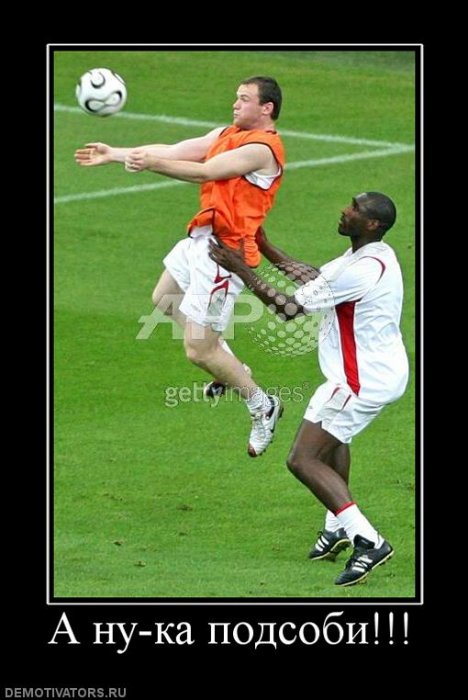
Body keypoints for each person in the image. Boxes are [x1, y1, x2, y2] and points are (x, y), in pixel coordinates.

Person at [75, 76, 285, 457]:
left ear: (266, 108)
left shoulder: (262, 150)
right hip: (202, 239)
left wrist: (151, 164)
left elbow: (206, 172)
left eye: (244, 99)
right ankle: (230, 366)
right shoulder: (226, 133)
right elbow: (176, 150)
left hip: (225, 255)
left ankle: (262, 405)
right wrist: (116, 153)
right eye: (236, 97)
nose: (235, 104)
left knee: (198, 351)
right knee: (164, 296)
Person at [208, 192, 409, 587]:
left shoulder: (362, 269)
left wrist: (241, 268)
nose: (345, 210)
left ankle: (368, 540)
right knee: (334, 440)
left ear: (372, 224)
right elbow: (316, 281)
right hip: (371, 372)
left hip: (359, 380)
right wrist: (266, 248)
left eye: (355, 209)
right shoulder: (368, 255)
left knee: (302, 459)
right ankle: (336, 528)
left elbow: (288, 309)